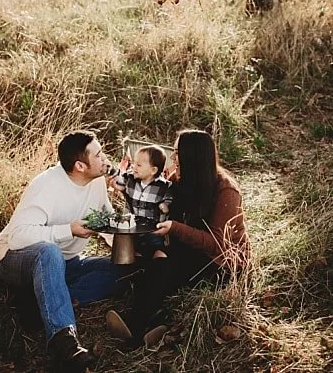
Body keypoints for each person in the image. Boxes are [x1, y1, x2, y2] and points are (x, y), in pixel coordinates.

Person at [0, 130, 125, 372]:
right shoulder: (47, 185)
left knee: (122, 268)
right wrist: (68, 230)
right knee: (49, 252)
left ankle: (42, 301)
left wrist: (126, 197)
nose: (105, 159)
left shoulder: (96, 183)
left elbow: (107, 222)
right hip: (16, 259)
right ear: (80, 166)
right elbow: (18, 235)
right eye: (98, 154)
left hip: (67, 263)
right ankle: (64, 342)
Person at [105, 129, 249, 347]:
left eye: (177, 153)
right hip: (188, 250)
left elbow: (217, 244)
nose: (173, 158)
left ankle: (134, 329)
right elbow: (150, 203)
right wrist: (126, 191)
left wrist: (174, 228)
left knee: (165, 267)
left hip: (221, 264)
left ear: (192, 157)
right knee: (152, 260)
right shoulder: (180, 180)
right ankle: (157, 321)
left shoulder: (226, 191)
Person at [113, 144, 173, 259]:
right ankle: (136, 265)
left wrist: (165, 205)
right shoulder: (130, 179)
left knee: (158, 249)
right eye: (134, 163)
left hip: (153, 230)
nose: (134, 167)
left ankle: (158, 264)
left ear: (153, 170)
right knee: (130, 251)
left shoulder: (163, 186)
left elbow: (169, 197)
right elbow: (119, 177)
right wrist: (111, 173)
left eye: (139, 165)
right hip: (132, 228)